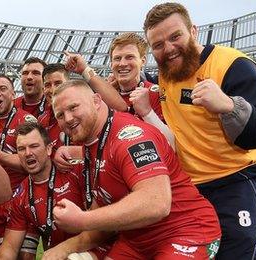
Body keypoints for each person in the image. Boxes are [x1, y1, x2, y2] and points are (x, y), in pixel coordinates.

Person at [144, 3, 256, 258]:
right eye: (158, 45)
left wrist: (228, 106)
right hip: (190, 191)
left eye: (175, 37)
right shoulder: (165, 73)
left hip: (236, 183)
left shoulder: (232, 63)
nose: (169, 48)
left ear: (193, 31)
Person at [46, 80, 221, 259]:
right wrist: (64, 248)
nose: (68, 118)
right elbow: (103, 220)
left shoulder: (130, 136)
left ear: (97, 101)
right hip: (136, 241)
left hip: (185, 230)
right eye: (60, 115)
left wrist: (81, 219)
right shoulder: (93, 146)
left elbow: (157, 203)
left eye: (74, 107)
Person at [0, 122, 106, 260]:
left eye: (34, 146)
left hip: (97, 250)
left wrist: (65, 249)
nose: (28, 153)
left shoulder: (75, 172)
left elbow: (104, 228)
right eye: (21, 149)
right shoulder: (21, 194)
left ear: (49, 149)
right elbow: (10, 246)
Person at [0, 74, 36, 245]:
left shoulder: (26, 121)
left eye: (2, 89)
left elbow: (33, 164)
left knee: (25, 255)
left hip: (24, 198)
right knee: (6, 252)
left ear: (13, 95)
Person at [37, 63, 72, 153]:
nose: (53, 90)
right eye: (47, 85)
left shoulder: (82, 114)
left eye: (58, 83)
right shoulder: (41, 120)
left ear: (69, 84)